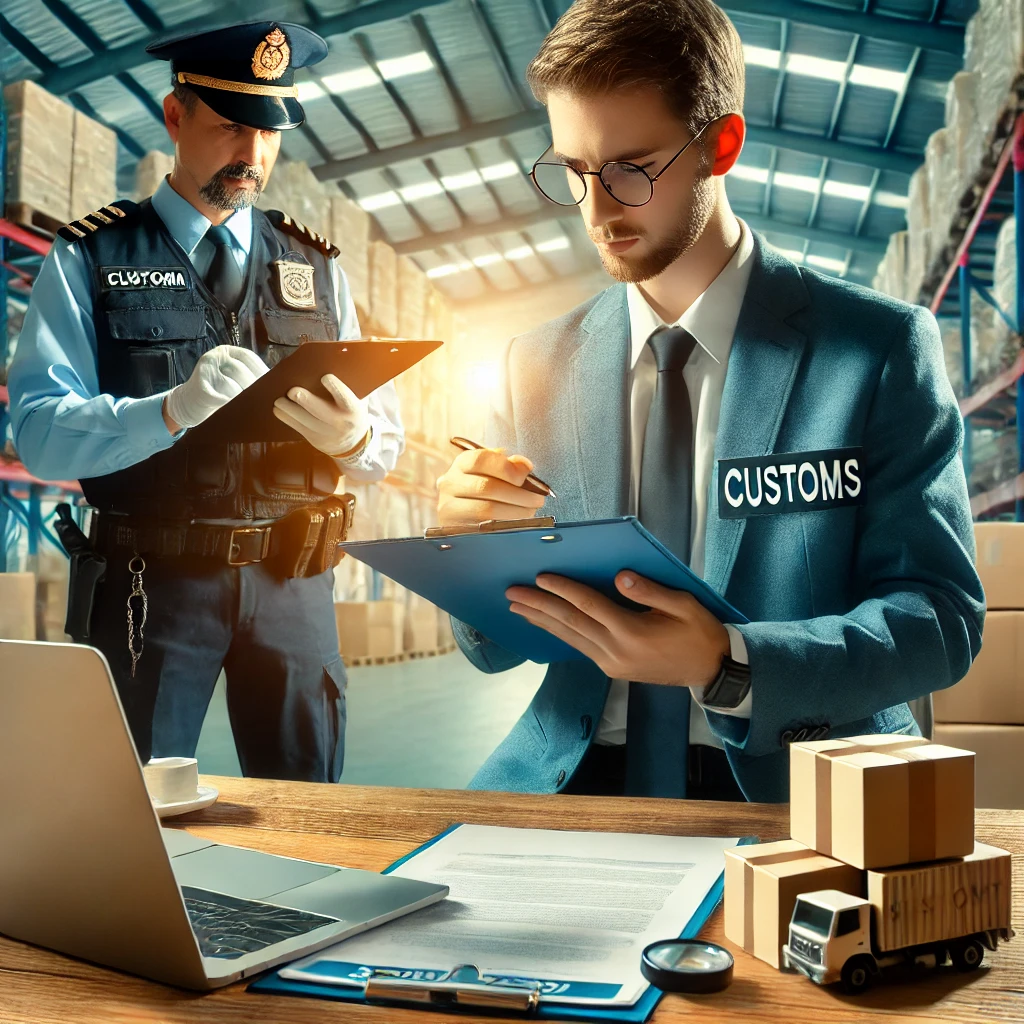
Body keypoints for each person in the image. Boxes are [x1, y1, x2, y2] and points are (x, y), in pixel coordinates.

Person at [436, 0, 983, 802]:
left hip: (801, 780)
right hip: (572, 779)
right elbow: (491, 647)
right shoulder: (534, 366)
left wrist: (727, 663)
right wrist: (467, 552)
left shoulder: (874, 352)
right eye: (572, 172)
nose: (597, 209)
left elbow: (940, 619)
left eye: (631, 168)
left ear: (720, 144)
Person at [7, 21, 404, 783]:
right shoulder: (91, 257)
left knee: (308, 816)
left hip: (296, 585)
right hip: (151, 590)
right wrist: (164, 413)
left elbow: (386, 442)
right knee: (134, 821)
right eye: (229, 126)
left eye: (269, 132)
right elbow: (39, 434)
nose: (252, 155)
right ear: (174, 117)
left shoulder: (317, 270)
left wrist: (358, 439)